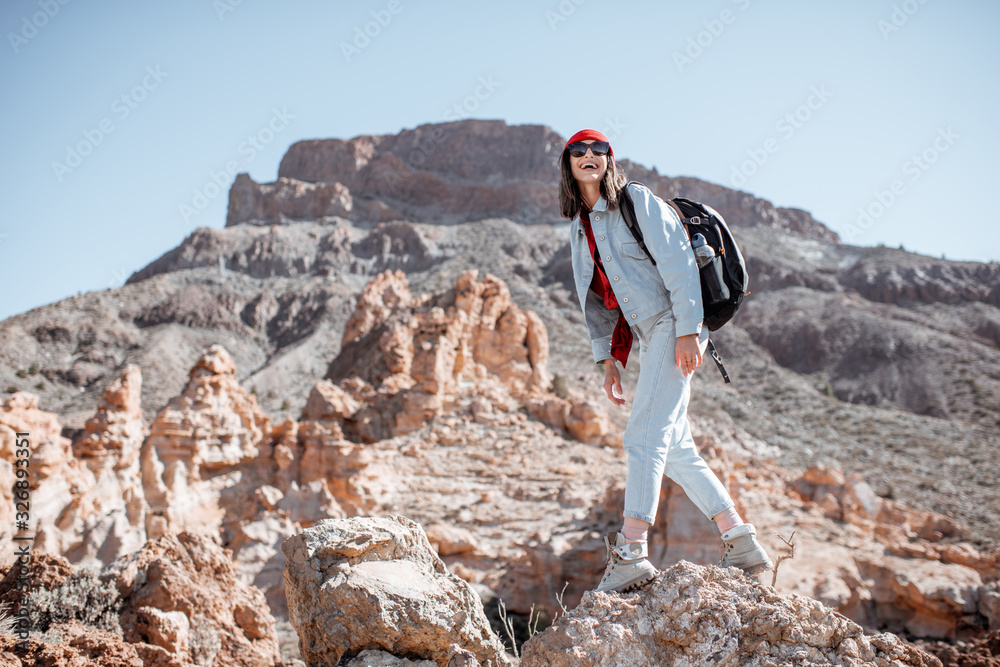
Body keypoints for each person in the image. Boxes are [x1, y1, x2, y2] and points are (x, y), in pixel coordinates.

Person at [559, 129, 772, 593]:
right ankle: (741, 541)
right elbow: (596, 301)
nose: (589, 155)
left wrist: (688, 330)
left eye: (599, 149)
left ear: (609, 159)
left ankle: (631, 552)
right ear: (569, 164)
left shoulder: (635, 200)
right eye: (579, 150)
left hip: (672, 324)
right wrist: (609, 361)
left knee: (642, 435)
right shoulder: (581, 227)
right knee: (675, 450)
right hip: (647, 332)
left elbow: (677, 262)